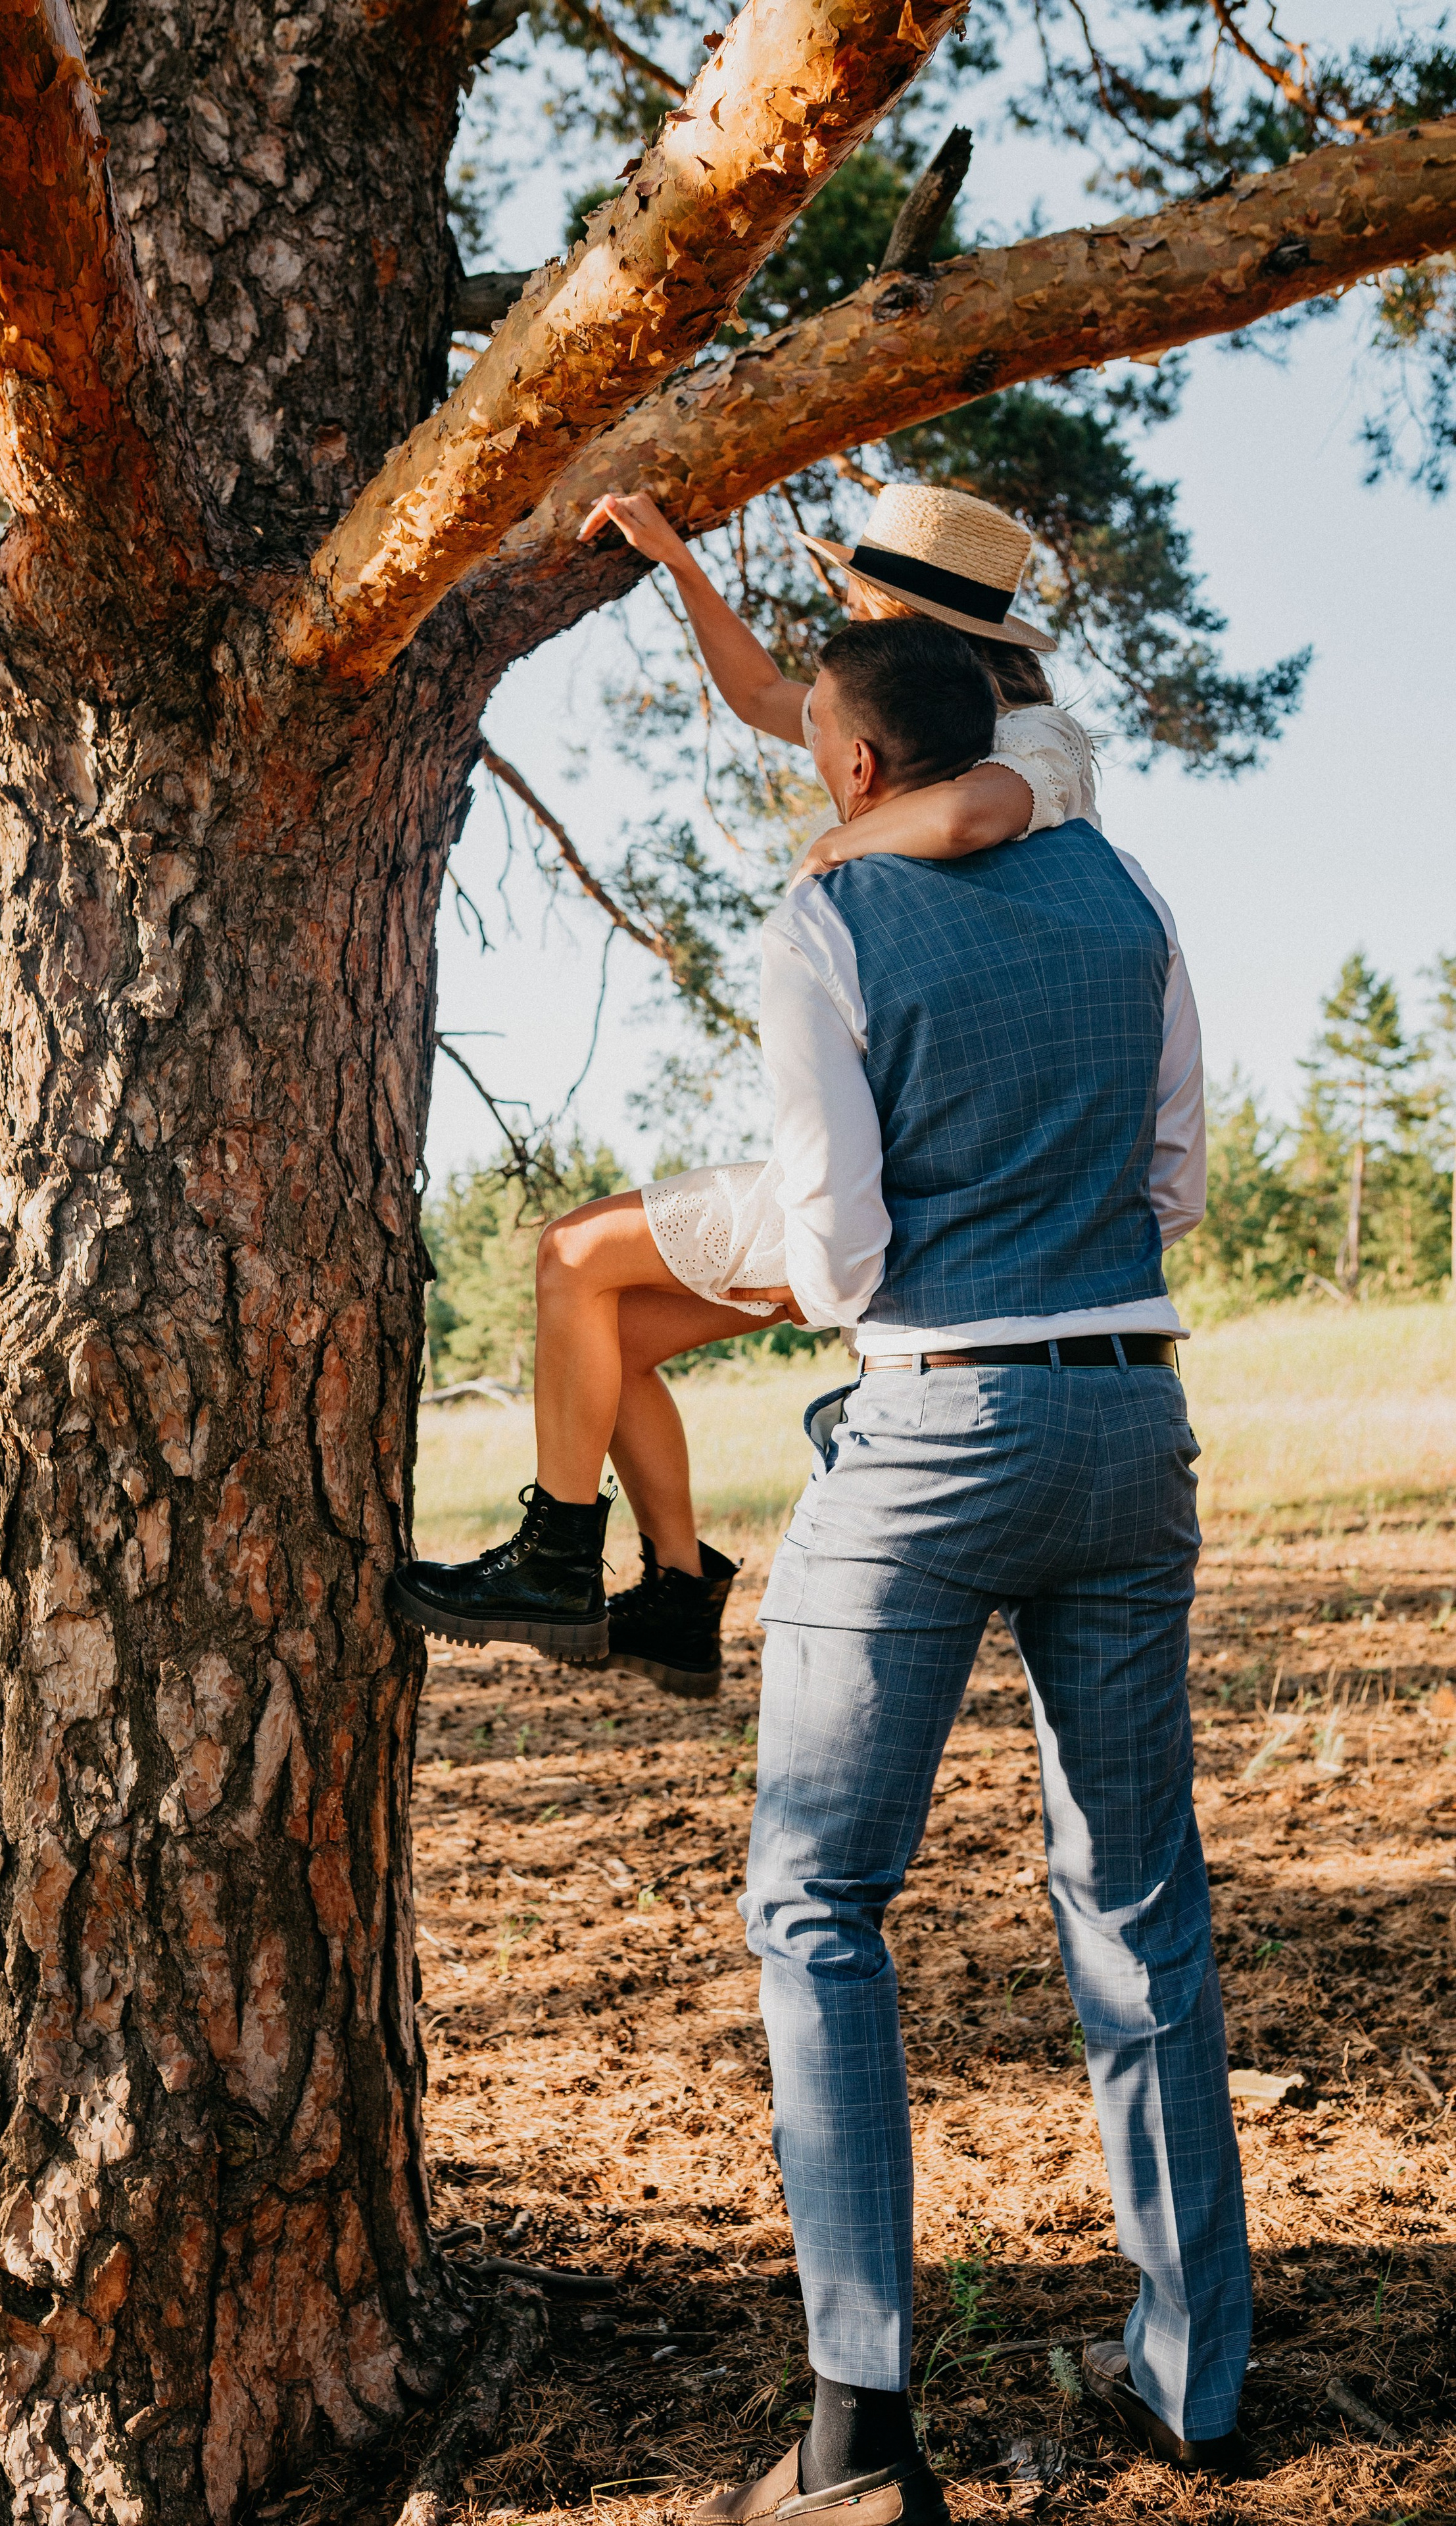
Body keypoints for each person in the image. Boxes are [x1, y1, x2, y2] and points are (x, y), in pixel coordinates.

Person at [682, 649, 1252, 2526]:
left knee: (820, 1903)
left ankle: (857, 2432)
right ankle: (1197, 2380)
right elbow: (1173, 1171)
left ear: (851, 755)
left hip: (933, 1428)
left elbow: (840, 1251)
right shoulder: (1122, 881)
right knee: (1140, 1895)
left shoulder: (829, 911)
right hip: (1130, 1413)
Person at [389, 485, 1099, 1698]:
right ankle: (673, 1596)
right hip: (903, 1140)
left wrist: (838, 852)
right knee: (603, 1338)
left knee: (572, 1258)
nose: (845, 610)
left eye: (863, 597)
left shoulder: (1033, 745)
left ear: (912, 616)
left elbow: (982, 815)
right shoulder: (903, 712)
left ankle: (558, 1561)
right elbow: (766, 699)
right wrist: (675, 561)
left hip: (924, 1150)